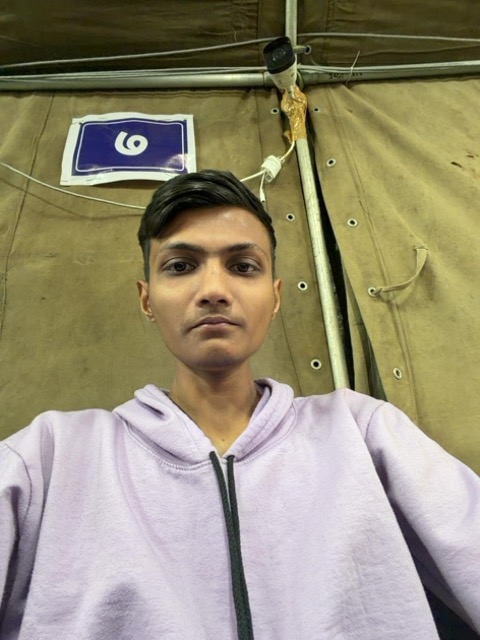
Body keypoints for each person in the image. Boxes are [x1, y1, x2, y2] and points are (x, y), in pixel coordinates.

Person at [1, 170, 479, 640]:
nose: (214, 290)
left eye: (243, 266)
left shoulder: (363, 433)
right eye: (180, 266)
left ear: (275, 297)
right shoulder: (51, 457)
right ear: (147, 299)